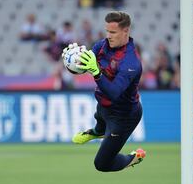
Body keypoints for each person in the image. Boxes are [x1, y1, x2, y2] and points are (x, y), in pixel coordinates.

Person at [62, 11, 145, 172]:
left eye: (113, 32)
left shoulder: (131, 62)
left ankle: (134, 157)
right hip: (103, 107)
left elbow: (113, 93)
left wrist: (96, 73)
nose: (108, 36)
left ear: (125, 31)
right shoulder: (102, 45)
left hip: (123, 116)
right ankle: (97, 132)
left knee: (102, 164)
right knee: (100, 120)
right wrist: (71, 61)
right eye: (107, 31)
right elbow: (83, 66)